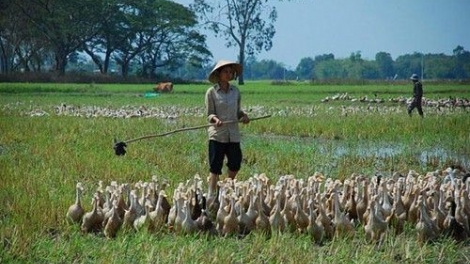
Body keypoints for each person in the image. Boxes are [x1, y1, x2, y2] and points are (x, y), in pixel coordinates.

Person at [205, 60, 250, 197]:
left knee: (235, 162)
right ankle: (212, 193)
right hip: (217, 134)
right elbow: (209, 114)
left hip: (233, 133)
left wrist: (243, 116)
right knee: (215, 166)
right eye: (225, 71)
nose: (229, 74)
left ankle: (226, 186)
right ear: (219, 73)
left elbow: (237, 111)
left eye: (231, 72)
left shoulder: (235, 91)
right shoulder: (211, 92)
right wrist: (216, 120)